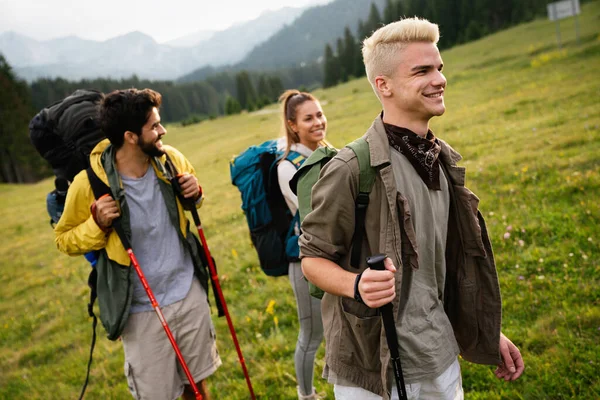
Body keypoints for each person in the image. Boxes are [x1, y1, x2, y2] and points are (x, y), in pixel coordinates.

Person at [299, 18, 524, 400]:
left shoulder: (443, 161)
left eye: (439, 68)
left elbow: (445, 267)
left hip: (439, 355)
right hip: (372, 371)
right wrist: (356, 284)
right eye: (422, 70)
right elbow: (312, 259)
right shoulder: (353, 168)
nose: (439, 79)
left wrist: (488, 332)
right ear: (382, 85)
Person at [55, 88, 221, 400]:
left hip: (187, 293)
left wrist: (194, 193)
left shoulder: (171, 158)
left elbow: (192, 202)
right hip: (140, 310)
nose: (163, 131)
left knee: (197, 387)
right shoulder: (89, 183)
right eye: (154, 126)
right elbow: (63, 239)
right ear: (131, 136)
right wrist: (97, 224)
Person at [276, 89, 327, 400]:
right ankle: (306, 395)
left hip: (334, 255)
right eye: (308, 118)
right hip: (305, 261)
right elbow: (316, 213)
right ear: (293, 125)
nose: (318, 122)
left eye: (319, 114)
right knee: (311, 333)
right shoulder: (288, 167)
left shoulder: (326, 151)